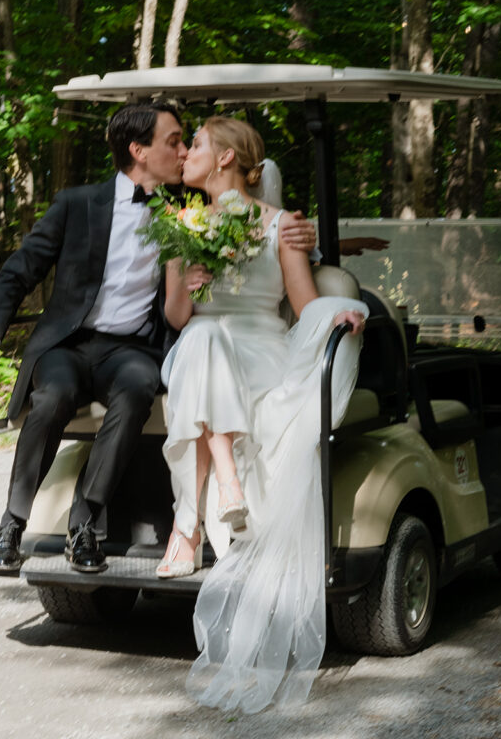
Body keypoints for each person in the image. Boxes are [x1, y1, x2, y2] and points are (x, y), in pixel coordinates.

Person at [0, 104, 317, 576]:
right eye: (173, 141)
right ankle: (11, 523)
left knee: (136, 388)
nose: (181, 149)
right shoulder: (77, 204)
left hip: (131, 351)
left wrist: (310, 237)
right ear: (138, 151)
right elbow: (18, 272)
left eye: (187, 143)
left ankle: (85, 524)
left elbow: (255, 242)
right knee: (54, 396)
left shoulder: (182, 217)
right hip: (69, 344)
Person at [156, 117, 368, 713]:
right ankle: (226, 481)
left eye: (195, 145)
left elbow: (303, 305)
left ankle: (187, 527)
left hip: (263, 349)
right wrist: (188, 280)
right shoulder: (179, 226)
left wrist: (340, 313)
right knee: (199, 339)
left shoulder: (282, 226)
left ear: (225, 159)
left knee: (206, 345)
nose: (187, 155)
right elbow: (178, 318)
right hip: (205, 348)